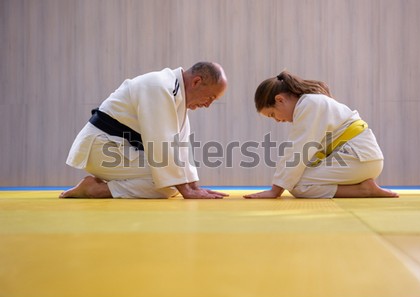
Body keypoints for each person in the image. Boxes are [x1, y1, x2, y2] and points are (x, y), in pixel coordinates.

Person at [60, 62, 229, 199]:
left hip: (118, 148)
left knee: (171, 182)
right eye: (210, 97)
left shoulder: (176, 95)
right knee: (168, 184)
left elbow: (181, 146)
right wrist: (186, 190)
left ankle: (96, 188)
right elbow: (160, 142)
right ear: (197, 82)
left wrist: (193, 187)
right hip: (100, 148)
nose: (208, 105)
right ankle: (95, 191)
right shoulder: (159, 86)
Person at [244, 71, 398, 199]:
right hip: (361, 158)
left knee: (297, 185)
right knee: (295, 178)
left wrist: (275, 191)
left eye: (272, 114)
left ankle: (363, 190)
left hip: (359, 159)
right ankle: (363, 187)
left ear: (280, 99)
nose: (277, 120)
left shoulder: (309, 104)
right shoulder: (312, 102)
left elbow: (299, 149)